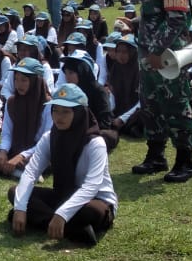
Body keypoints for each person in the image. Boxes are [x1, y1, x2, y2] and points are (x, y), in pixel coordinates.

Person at [130, 0, 192, 183]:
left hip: (168, 56)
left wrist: (158, 50)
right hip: (151, 56)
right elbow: (156, 15)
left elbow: (177, 18)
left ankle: (185, 161)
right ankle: (156, 155)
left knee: (175, 104)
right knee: (151, 105)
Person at [8, 83, 117, 246]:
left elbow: (91, 186)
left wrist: (62, 214)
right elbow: (31, 173)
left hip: (94, 200)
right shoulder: (49, 137)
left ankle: (48, 220)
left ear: (80, 114)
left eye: (66, 112)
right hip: (63, 195)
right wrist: (21, 208)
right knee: (15, 192)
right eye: (55, 111)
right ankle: (74, 230)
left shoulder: (95, 143)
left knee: (92, 211)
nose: (59, 117)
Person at [0, 58, 51, 178]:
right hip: (14, 149)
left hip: (36, 152)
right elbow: (7, 133)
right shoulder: (12, 102)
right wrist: (3, 152)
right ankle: (15, 171)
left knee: (45, 158)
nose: (18, 84)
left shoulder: (49, 105)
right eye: (16, 79)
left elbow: (46, 141)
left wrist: (21, 156)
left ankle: (12, 168)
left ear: (35, 82)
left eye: (24, 80)